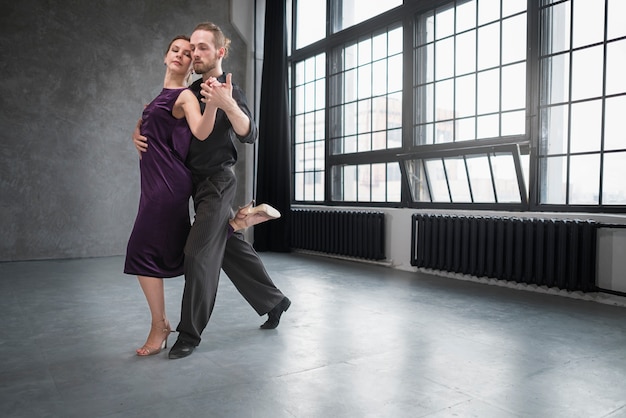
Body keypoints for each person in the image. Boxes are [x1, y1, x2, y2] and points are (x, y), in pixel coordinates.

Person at [133, 22, 291, 360]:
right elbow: (164, 127)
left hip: (218, 181)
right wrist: (138, 132)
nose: (195, 53)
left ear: (220, 52)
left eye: (203, 47)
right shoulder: (187, 91)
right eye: (192, 47)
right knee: (226, 244)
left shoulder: (228, 89)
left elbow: (250, 133)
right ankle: (274, 300)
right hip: (188, 183)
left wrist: (227, 103)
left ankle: (188, 334)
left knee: (197, 252)